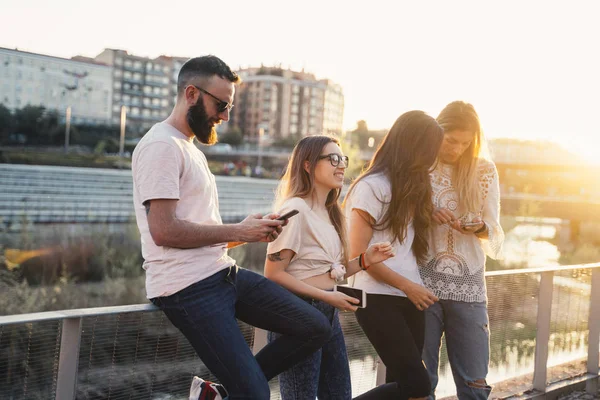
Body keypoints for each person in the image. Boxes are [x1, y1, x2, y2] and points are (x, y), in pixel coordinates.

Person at [131, 55, 332, 400]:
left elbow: (199, 233)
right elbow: (163, 231)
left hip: (222, 275)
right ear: (191, 93)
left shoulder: (188, 147)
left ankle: (227, 391)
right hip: (187, 288)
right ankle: (243, 388)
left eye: (228, 107)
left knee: (315, 327)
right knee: (256, 395)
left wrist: (250, 231)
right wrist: (238, 231)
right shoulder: (161, 146)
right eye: (221, 105)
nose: (225, 116)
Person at [264, 135, 394, 400]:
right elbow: (273, 274)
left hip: (327, 312)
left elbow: (328, 272)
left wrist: (365, 260)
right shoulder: (295, 209)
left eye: (342, 159)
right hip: (298, 313)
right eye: (332, 158)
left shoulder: (331, 212)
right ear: (308, 165)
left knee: (338, 394)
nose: (341, 165)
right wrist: (328, 296)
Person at [344, 110, 444, 400]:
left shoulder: (413, 187)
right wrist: (408, 286)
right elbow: (360, 255)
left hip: (410, 295)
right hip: (376, 296)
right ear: (410, 146)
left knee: (403, 387)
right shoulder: (370, 187)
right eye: (427, 151)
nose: (431, 160)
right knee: (418, 386)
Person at [419, 101, 504, 399]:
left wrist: (480, 228)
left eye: (465, 143)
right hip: (421, 285)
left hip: (468, 289)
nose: (456, 149)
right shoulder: (420, 165)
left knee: (474, 383)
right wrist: (425, 213)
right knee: (419, 381)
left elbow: (496, 233)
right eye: (451, 140)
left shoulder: (484, 170)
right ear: (435, 131)